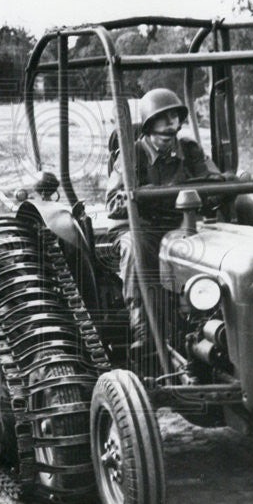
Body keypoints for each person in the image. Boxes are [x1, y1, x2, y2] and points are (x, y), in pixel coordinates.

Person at [105, 88, 227, 372]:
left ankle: (214, 329)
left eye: (174, 124)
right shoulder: (132, 153)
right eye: (162, 126)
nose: (169, 134)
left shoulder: (190, 150)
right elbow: (113, 203)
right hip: (140, 227)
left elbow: (215, 180)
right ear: (147, 128)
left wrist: (211, 189)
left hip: (182, 224)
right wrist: (148, 195)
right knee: (137, 247)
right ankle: (144, 335)